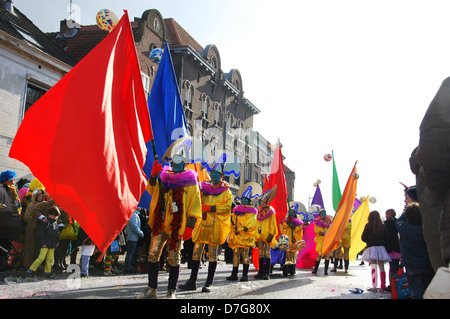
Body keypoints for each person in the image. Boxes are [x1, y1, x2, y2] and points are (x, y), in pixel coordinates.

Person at [140, 146, 202, 299]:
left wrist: (190, 226)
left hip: (178, 226)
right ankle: (152, 290)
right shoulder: (164, 177)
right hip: (160, 223)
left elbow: (196, 204)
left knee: (174, 258)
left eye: (180, 161)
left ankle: (171, 292)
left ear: (185, 163)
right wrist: (154, 175)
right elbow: (150, 189)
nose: (176, 164)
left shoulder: (191, 181)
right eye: (174, 161)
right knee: (152, 255)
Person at [179, 162, 233, 292]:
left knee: (213, 255)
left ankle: (209, 282)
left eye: (216, 174)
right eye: (212, 173)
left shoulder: (226, 192)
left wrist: (210, 208)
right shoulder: (202, 187)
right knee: (196, 252)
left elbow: (226, 208)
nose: (213, 175)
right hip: (201, 224)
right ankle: (192, 281)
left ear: (221, 176)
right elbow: (195, 198)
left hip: (215, 225)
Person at [396, 202, 434, 298]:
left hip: (411, 266)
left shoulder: (403, 228)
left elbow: (399, 220)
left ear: (408, 217)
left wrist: (407, 210)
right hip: (427, 264)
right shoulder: (427, 229)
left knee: (417, 291)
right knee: (429, 290)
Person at [227, 182, 260, 282]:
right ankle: (234, 274)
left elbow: (251, 224)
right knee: (236, 255)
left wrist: (241, 229)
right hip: (237, 237)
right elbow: (232, 220)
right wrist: (234, 227)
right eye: (243, 200)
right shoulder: (236, 211)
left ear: (249, 201)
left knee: (245, 255)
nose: (244, 201)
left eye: (246, 200)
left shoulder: (252, 213)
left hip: (246, 237)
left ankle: (244, 275)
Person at [26, 206, 61, 278]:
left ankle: (48, 272)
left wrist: (57, 241)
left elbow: (57, 233)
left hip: (52, 244)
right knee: (41, 258)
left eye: (56, 216)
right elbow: (42, 234)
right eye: (54, 216)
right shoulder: (45, 223)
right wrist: (43, 243)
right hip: (45, 244)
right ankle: (31, 270)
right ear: (49, 215)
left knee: (50, 259)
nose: (55, 218)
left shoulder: (55, 223)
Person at [361, 210, 391, 292]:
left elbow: (363, 238)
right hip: (381, 248)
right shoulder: (383, 226)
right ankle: (383, 286)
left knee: (373, 266)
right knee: (382, 267)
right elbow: (387, 237)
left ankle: (374, 286)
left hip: (371, 247)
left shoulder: (368, 225)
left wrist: (369, 240)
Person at [254, 186, 278, 280]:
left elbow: (273, 224)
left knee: (267, 254)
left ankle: (267, 273)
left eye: (263, 201)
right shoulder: (259, 211)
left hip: (267, 235)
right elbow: (257, 223)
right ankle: (261, 271)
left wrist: (271, 235)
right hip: (260, 236)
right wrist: (256, 236)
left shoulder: (270, 211)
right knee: (260, 254)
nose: (261, 202)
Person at [280, 202, 304, 276]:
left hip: (294, 241)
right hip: (287, 240)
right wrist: (288, 222)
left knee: (293, 256)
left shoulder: (298, 222)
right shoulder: (287, 220)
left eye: (293, 212)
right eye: (291, 212)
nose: (292, 214)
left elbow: (299, 230)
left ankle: (292, 270)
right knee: (287, 255)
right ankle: (286, 270)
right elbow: (284, 226)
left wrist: (294, 226)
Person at [383, 208, 401, 291]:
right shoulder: (397, 222)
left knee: (392, 267)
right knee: (396, 266)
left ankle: (392, 285)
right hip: (397, 246)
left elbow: (386, 236)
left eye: (386, 214)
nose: (385, 215)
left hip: (390, 247)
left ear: (389, 214)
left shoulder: (387, 224)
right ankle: (397, 284)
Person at [312, 209, 332, 275]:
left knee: (327, 255)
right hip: (320, 240)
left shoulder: (329, 221)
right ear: (320, 214)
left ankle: (326, 271)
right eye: (322, 213)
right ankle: (315, 269)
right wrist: (323, 233)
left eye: (324, 213)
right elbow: (316, 232)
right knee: (319, 254)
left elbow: (331, 229)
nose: (324, 214)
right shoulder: (317, 222)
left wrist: (328, 233)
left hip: (327, 240)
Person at [125, 208, 144, 273]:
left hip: (135, 237)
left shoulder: (135, 214)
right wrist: (141, 233)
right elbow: (134, 227)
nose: (140, 208)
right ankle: (128, 268)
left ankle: (132, 267)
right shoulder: (132, 215)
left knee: (134, 253)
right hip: (132, 237)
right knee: (130, 253)